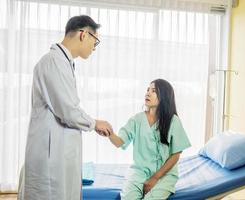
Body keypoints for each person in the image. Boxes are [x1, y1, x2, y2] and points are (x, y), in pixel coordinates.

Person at [17, 15, 112, 200]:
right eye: (96, 41)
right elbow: (68, 111)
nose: (94, 47)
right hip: (50, 155)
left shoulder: (63, 62)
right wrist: (95, 123)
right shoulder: (54, 62)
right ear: (84, 34)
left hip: (57, 152)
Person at [108, 79, 191, 200]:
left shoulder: (173, 121)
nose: (147, 93)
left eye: (153, 91)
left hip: (164, 175)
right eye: (147, 90)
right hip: (139, 172)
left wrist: (155, 178)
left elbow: (176, 155)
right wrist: (110, 134)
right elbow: (120, 142)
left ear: (164, 97)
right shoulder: (137, 119)